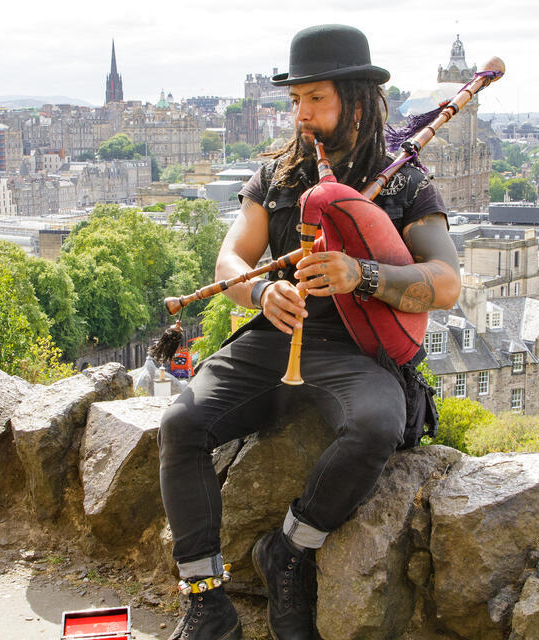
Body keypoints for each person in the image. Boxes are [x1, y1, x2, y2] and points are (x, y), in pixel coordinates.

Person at [158, 24, 461, 640]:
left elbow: (446, 281)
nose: (301, 115)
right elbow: (230, 262)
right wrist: (262, 291)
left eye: (315, 99)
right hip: (275, 338)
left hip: (356, 350)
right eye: (295, 100)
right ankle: (208, 601)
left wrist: (363, 274)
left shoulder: (401, 178)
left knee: (376, 425)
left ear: (356, 99)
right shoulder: (275, 174)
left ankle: (289, 552)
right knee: (180, 424)